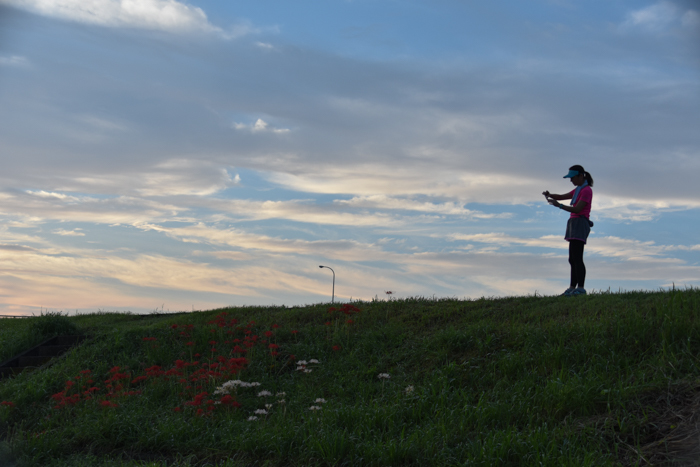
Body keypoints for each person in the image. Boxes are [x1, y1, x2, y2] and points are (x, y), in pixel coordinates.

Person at [542, 165, 594, 297]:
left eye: (573, 178)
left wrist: (558, 206)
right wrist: (550, 195)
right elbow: (561, 196)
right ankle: (572, 287)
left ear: (581, 176)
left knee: (577, 257)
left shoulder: (586, 191)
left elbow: (577, 209)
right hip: (574, 223)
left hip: (580, 223)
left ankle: (580, 289)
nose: (571, 181)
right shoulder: (578, 189)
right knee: (572, 258)